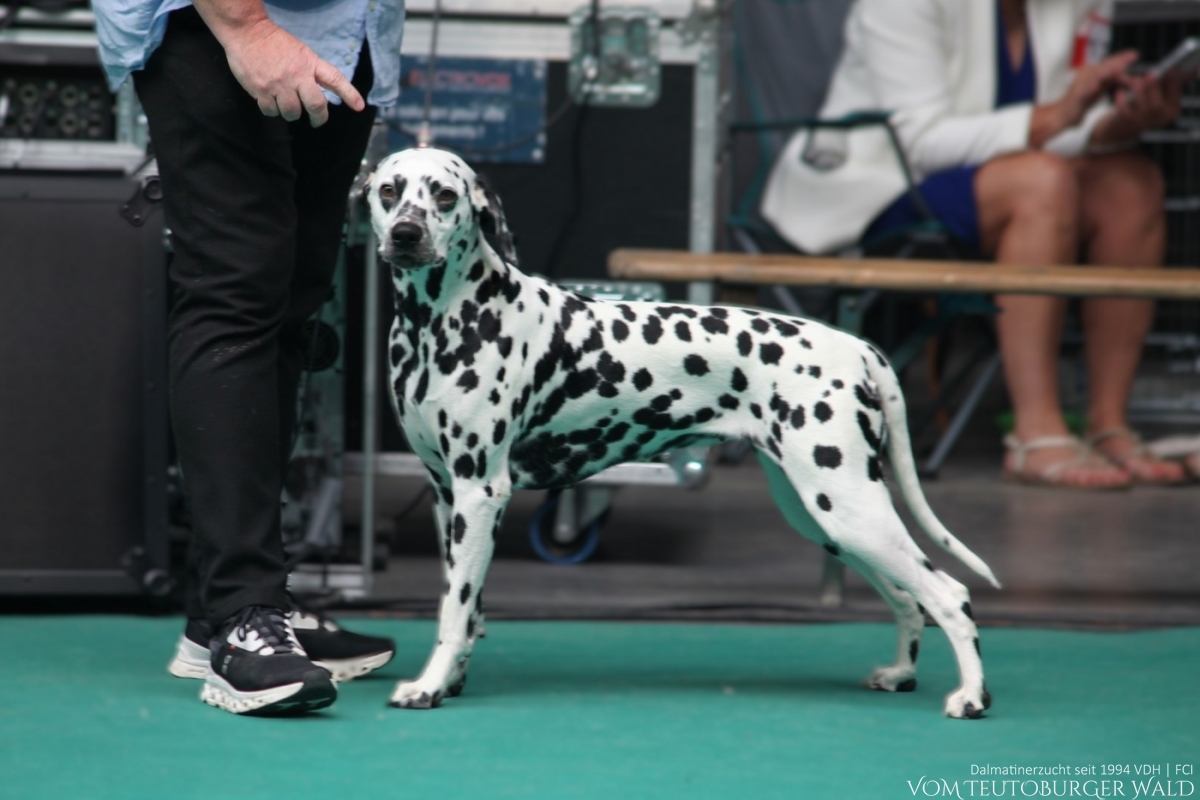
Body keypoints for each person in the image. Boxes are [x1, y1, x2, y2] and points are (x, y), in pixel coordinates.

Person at [92, 0, 404, 714]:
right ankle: (243, 614)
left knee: (289, 303)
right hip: (224, 26)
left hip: (342, 34)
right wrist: (246, 29)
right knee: (234, 295)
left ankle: (223, 612)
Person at [762, 0, 1188, 489]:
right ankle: (1036, 432)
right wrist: (1060, 115)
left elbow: (1061, 131)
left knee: (1131, 187)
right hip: (879, 180)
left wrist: (1119, 123)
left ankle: (1108, 423)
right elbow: (923, 144)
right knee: (1040, 183)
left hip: (1017, 177)